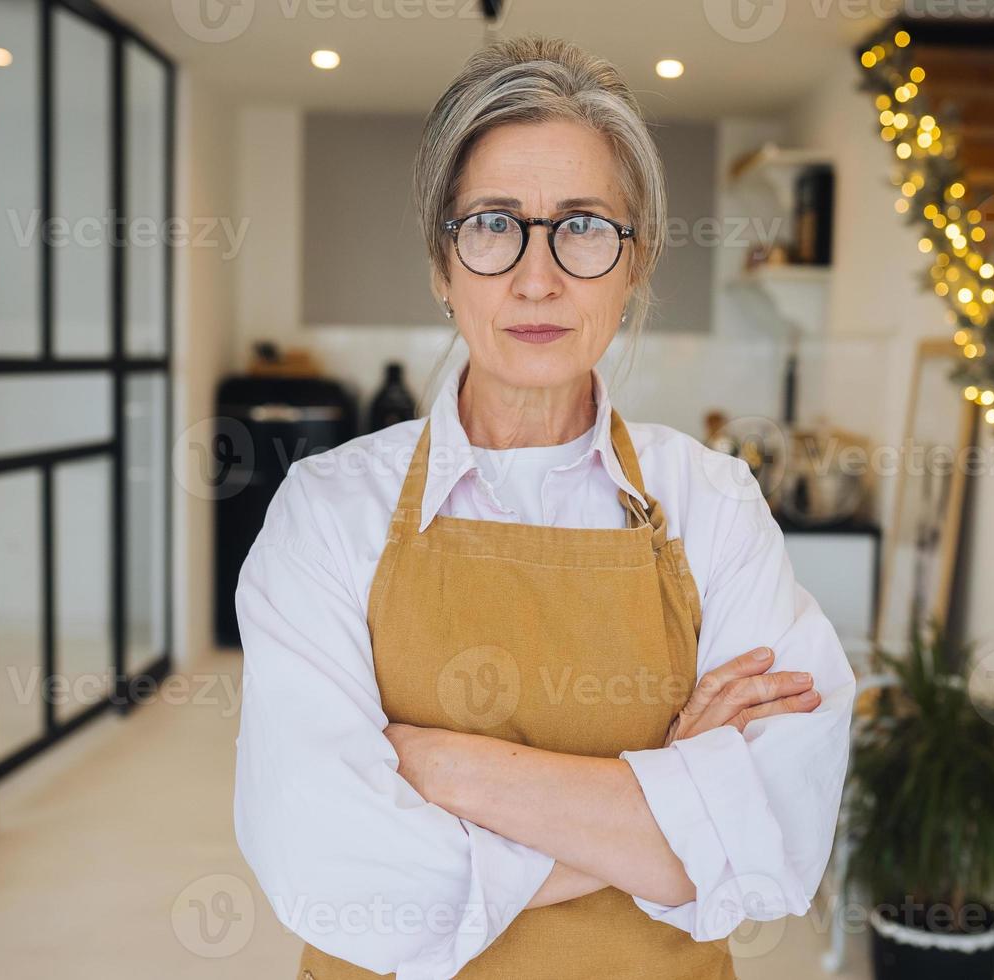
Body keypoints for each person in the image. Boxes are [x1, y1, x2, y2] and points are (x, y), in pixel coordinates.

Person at [233, 34, 856, 980]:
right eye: (491, 224)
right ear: (442, 268)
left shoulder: (713, 503)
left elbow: (779, 834)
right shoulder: (327, 509)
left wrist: (450, 771)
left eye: (583, 225)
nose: (537, 276)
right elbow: (331, 869)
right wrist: (677, 797)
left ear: (633, 263)